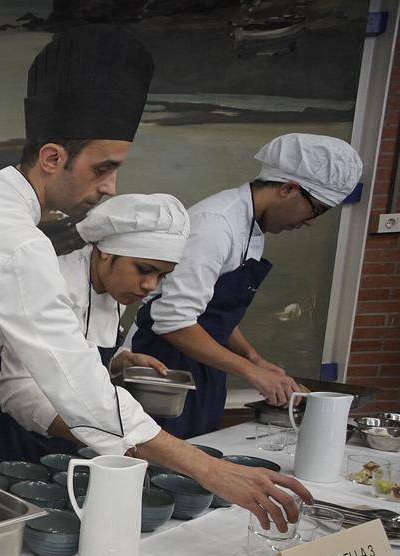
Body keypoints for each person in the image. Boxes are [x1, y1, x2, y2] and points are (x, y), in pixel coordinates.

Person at [0, 24, 311, 535]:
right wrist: (209, 469)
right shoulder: (21, 244)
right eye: (103, 169)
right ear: (53, 158)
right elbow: (79, 385)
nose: (110, 188)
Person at [129, 133, 363, 438]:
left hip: (203, 364)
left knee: (200, 450)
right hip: (165, 368)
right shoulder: (216, 225)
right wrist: (251, 372)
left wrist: (255, 359)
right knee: (163, 456)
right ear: (288, 188)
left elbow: (212, 312)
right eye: (316, 209)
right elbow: (173, 321)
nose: (310, 221)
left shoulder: (251, 226)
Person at [0, 193, 186, 471]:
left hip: (65, 420)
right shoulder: (52, 283)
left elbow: (80, 343)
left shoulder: (116, 289)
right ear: (106, 252)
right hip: (6, 417)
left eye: (162, 275)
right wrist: (100, 433)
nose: (150, 285)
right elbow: (17, 390)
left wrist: (120, 359)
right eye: (144, 269)